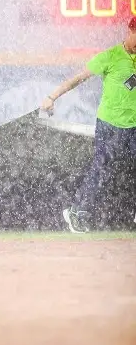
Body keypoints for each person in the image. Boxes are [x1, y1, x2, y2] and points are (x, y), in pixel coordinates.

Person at [41, 17, 136, 233]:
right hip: (110, 125)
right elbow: (78, 78)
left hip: (134, 126)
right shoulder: (110, 57)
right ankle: (77, 212)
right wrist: (51, 97)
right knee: (101, 169)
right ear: (130, 29)